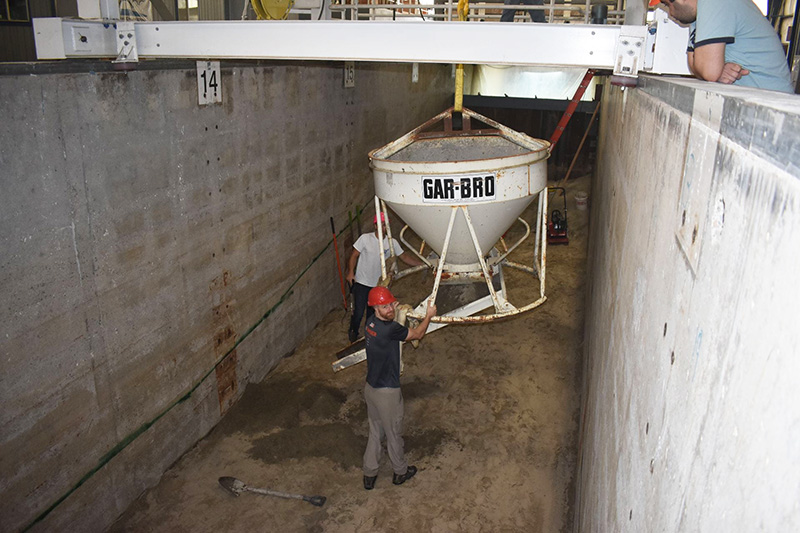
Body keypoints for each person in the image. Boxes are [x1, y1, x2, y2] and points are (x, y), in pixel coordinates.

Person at [362, 286, 437, 490]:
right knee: (393, 432)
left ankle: (369, 473)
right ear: (376, 307)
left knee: (375, 430)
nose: (389, 309)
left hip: (370, 388)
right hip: (388, 392)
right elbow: (418, 334)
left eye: (390, 305)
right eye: (385, 306)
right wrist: (428, 316)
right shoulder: (391, 330)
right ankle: (400, 472)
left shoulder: (370, 323)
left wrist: (391, 308)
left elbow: (386, 319)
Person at [651, 0, 794, 93]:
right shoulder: (698, 17)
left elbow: (708, 72)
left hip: (773, 109)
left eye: (668, 4)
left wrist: (713, 70)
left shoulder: (714, 2)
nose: (671, 13)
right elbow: (693, 65)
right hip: (752, 104)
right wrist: (717, 70)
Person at [345, 213, 422, 342]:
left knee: (372, 313)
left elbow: (404, 257)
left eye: (385, 225)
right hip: (362, 282)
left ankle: (368, 335)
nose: (383, 228)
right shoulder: (365, 239)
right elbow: (354, 255)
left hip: (377, 285)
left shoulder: (391, 243)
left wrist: (421, 263)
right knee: (358, 312)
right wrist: (351, 272)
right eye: (380, 225)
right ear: (375, 226)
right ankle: (353, 334)